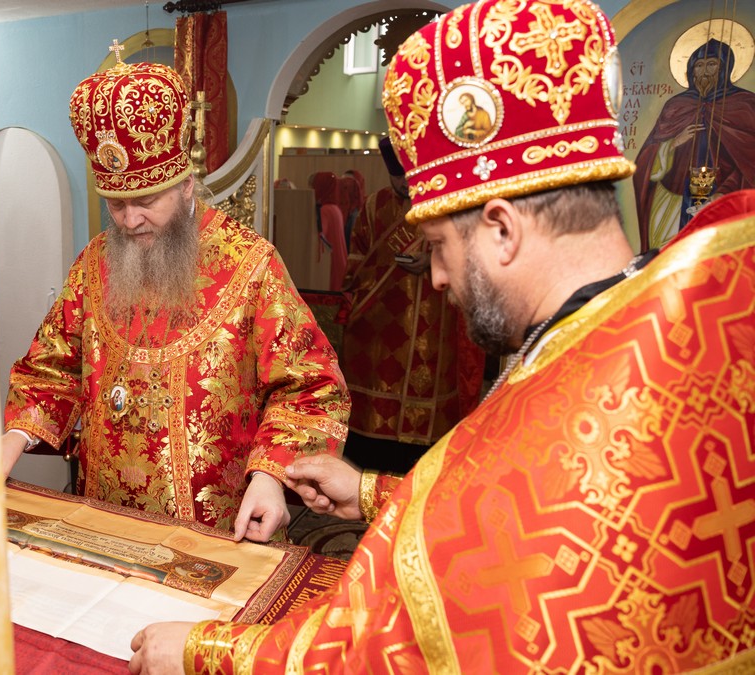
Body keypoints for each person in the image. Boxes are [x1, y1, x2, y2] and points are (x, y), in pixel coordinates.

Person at [129, 0, 755, 671]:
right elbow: (503, 513)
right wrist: (369, 491)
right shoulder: (679, 325)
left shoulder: (581, 419)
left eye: (437, 244)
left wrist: (204, 651)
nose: (435, 276)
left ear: (502, 229)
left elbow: (393, 653)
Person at [2, 60, 349, 543]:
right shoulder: (94, 262)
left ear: (186, 185)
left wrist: (270, 477)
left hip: (217, 530)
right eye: (116, 204)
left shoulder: (252, 265)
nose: (129, 221)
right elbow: (51, 367)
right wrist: (12, 438)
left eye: (147, 201)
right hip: (103, 518)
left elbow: (311, 387)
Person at [340, 138, 483, 482]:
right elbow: (356, 262)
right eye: (397, 177)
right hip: (378, 322)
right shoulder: (375, 206)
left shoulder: (443, 204)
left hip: (435, 316)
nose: (404, 185)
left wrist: (433, 260)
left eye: (408, 176)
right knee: (376, 385)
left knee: (429, 384)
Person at [633, 37, 755, 251]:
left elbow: (749, 161)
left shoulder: (744, 105)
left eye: (712, 64)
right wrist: (672, 144)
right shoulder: (677, 106)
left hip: (728, 196)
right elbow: (644, 160)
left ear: (725, 68)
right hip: (676, 198)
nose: (704, 72)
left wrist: (724, 192)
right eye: (698, 66)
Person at [312, 171, 347, 291]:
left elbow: (319, 237)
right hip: (340, 261)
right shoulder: (336, 208)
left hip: (330, 264)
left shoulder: (325, 210)